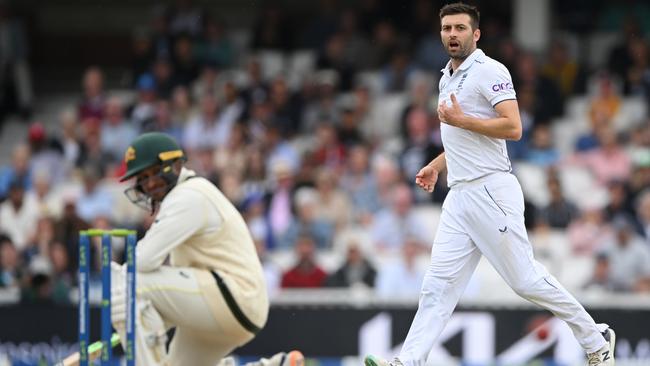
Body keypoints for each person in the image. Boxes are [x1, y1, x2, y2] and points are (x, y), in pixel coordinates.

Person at [363, 4, 615, 366]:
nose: (452, 34)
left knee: (525, 281)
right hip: (460, 195)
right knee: (437, 288)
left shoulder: (490, 70)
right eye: (447, 27)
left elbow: (513, 127)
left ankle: (596, 338)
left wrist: (462, 119)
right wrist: (436, 165)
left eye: (460, 28)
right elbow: (461, 139)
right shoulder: (446, 77)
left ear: (475, 34)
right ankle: (408, 361)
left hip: (491, 191)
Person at [112, 132, 303, 366]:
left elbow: (142, 262)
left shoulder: (189, 196)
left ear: (176, 164)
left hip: (232, 295)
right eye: (143, 177)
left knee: (125, 280)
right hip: (233, 306)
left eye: (154, 172)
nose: (150, 183)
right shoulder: (187, 195)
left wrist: (137, 307)